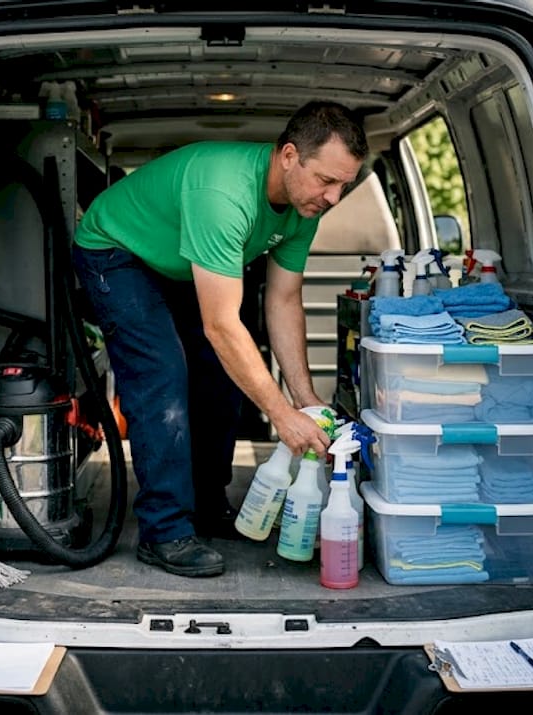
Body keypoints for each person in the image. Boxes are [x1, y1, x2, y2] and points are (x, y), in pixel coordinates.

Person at [72, 101, 369, 577]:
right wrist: (282, 416)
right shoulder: (223, 194)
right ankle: (164, 530)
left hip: (176, 258)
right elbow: (221, 326)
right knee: (163, 373)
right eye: (326, 181)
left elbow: (283, 300)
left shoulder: (304, 205)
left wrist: (305, 399)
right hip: (117, 250)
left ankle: (207, 505)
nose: (334, 197)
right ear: (289, 156)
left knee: (223, 374)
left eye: (344, 185)